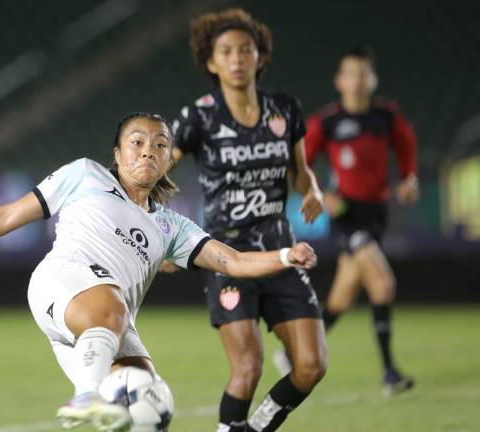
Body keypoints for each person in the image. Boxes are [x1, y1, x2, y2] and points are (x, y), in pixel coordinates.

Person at [0, 112, 319, 432]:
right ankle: (84, 397)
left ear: (167, 161)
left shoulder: (170, 226)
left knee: (146, 404)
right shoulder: (85, 175)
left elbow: (233, 261)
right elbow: (9, 214)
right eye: (136, 142)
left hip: (106, 324)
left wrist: (286, 257)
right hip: (63, 284)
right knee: (111, 310)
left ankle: (96, 395)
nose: (147, 152)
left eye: (159, 146)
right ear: (117, 154)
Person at [169, 8, 326, 432]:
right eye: (226, 52)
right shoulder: (197, 117)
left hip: (281, 250)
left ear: (260, 57)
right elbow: (154, 175)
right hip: (226, 254)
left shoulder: (285, 110)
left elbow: (300, 172)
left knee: (310, 366)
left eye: (245, 50)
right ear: (210, 62)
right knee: (248, 369)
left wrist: (311, 189)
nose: (237, 58)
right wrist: (158, 231)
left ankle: (254, 430)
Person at [302, 47, 418, 396]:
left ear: (373, 79)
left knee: (341, 297)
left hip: (377, 213)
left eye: (364, 73)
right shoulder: (327, 122)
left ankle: (296, 352)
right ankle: (389, 373)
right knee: (383, 285)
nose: (358, 80)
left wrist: (410, 178)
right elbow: (300, 162)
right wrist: (321, 192)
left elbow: (406, 147)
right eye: (351, 74)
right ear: (340, 81)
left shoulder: (386, 116)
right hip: (346, 216)